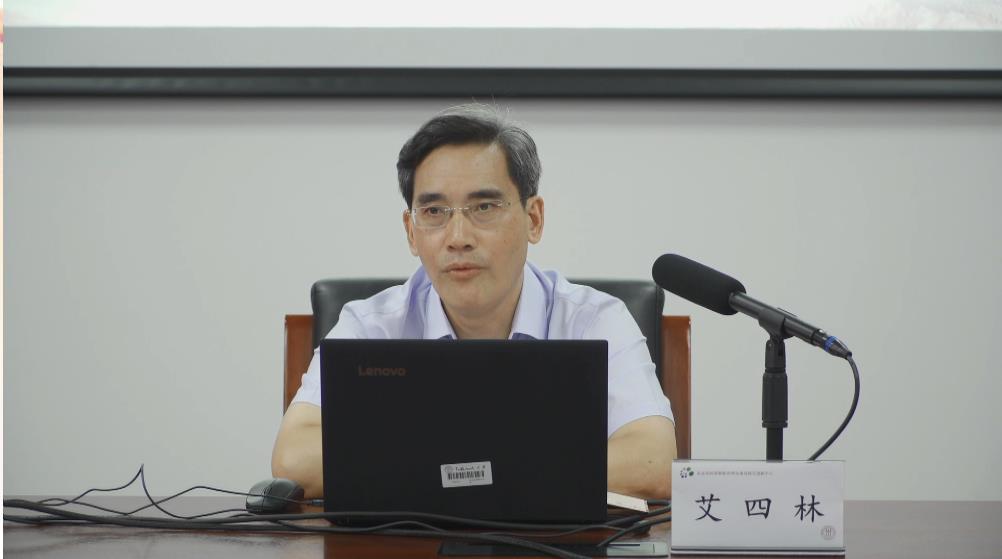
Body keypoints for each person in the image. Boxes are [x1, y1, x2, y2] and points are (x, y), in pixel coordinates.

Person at [272, 104, 677, 499]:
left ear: (533, 219)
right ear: (411, 232)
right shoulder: (371, 325)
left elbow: (653, 462)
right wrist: (512, 469)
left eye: (484, 207)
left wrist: (446, 470)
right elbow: (294, 459)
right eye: (434, 211)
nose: (458, 237)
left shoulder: (594, 321)